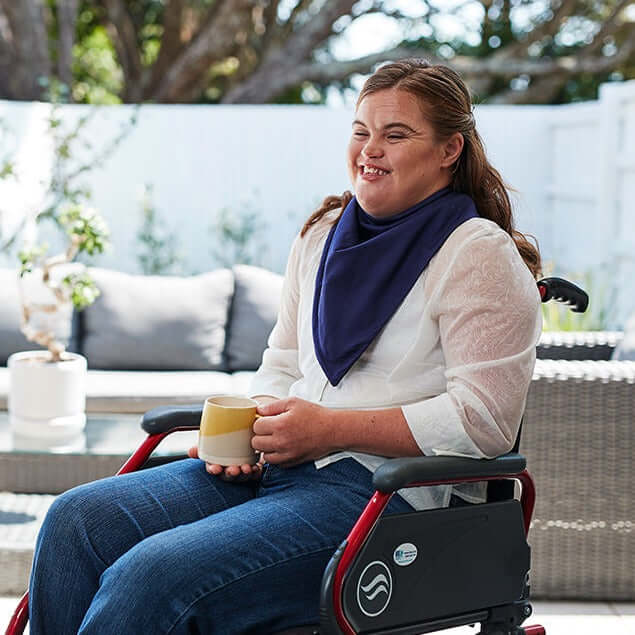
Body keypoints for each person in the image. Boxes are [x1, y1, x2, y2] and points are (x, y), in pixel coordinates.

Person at [28, 58, 542, 634]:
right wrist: (247, 431)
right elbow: (282, 362)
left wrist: (327, 429)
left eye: (396, 135)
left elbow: (483, 424)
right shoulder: (323, 234)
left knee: (152, 576)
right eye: (361, 131)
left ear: (450, 149)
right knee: (76, 520)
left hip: (390, 496)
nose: (370, 150)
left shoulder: (477, 253)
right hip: (282, 467)